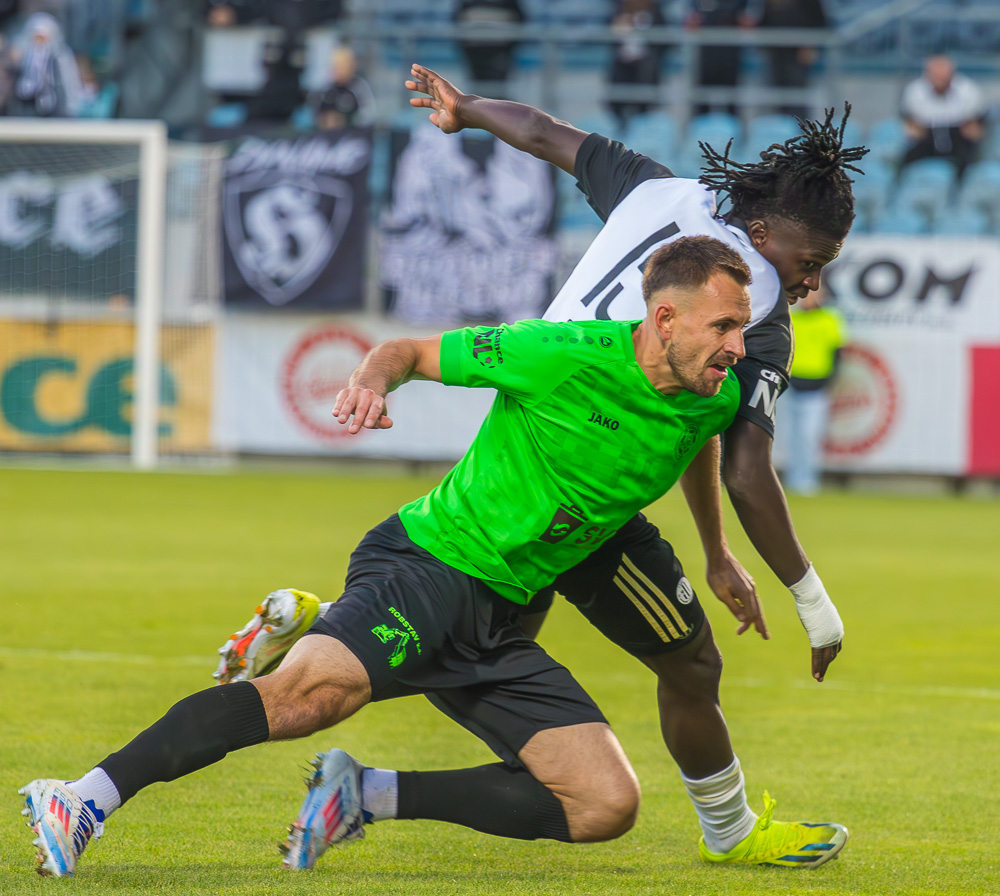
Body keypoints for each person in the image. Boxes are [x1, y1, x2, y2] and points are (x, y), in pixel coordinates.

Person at [21, 238, 849, 879]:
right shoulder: (558, 353)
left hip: (502, 616)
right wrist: (371, 383)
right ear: (664, 319)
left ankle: (363, 791)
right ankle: (82, 798)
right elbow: (410, 351)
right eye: (724, 326)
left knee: (605, 804)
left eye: (743, 326)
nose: (739, 344)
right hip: (430, 566)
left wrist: (716, 552)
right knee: (310, 698)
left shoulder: (712, 394)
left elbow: (700, 446)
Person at [207, 66, 863, 871]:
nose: (812, 281)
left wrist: (467, 109)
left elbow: (545, 134)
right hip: (584, 488)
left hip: (526, 443)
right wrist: (815, 604)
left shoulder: (656, 190)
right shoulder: (753, 316)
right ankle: (726, 831)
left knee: (486, 639)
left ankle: (324, 629)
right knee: (653, 659)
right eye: (812, 258)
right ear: (762, 234)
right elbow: (748, 472)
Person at [774, 286, 845, 495]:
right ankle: (791, 478)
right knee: (788, 436)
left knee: (808, 436)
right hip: (789, 384)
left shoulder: (830, 318)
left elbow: (837, 353)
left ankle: (806, 479)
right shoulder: (791, 317)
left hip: (816, 387)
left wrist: (831, 381)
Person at [900, 55, 987, 175]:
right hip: (926, 137)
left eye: (943, 75)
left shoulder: (968, 90)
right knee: (907, 158)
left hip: (958, 136)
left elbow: (972, 125)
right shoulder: (914, 91)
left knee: (969, 157)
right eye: (936, 74)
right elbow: (913, 124)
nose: (940, 78)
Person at [749, 0, 829, 118]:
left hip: (799, 53)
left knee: (798, 95)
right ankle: (780, 125)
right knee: (776, 96)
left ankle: (801, 125)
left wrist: (811, 45)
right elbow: (765, 21)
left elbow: (820, 21)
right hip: (775, 53)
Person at [606, 0, 667, 131]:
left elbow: (665, 39)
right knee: (619, 102)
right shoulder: (618, 11)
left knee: (644, 105)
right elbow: (609, 37)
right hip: (623, 66)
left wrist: (649, 56)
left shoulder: (656, 12)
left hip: (646, 69)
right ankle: (621, 129)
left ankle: (642, 131)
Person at [685, 0, 752, 117]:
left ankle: (734, 125)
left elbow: (746, 20)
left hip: (731, 51)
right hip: (706, 51)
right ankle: (699, 124)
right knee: (702, 98)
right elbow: (691, 20)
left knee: (732, 98)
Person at [452, 0, 525, 97]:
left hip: (501, 51)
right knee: (477, 87)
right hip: (474, 50)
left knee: (498, 87)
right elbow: (457, 23)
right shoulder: (467, 3)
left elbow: (519, 24)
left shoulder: (509, 3)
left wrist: (510, 46)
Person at [307, 43, 375, 130]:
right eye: (336, 66)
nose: (339, 70)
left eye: (343, 66)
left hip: (352, 133)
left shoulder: (359, 87)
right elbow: (313, 113)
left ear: (351, 67)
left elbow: (367, 115)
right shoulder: (324, 88)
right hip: (326, 134)